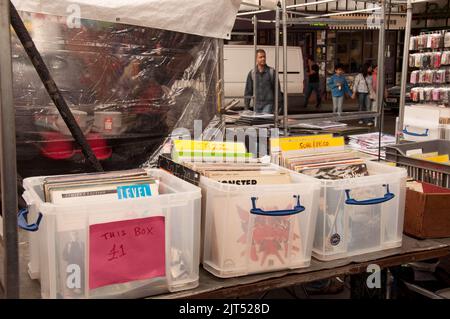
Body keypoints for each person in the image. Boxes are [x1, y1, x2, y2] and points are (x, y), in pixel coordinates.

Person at [244, 49, 283, 114]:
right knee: (258, 123)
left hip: (268, 104)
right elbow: (248, 91)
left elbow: (277, 89)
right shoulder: (252, 73)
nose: (263, 59)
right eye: (260, 57)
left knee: (264, 122)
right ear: (256, 59)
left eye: (264, 57)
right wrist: (246, 107)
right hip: (256, 105)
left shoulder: (271, 72)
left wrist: (279, 104)